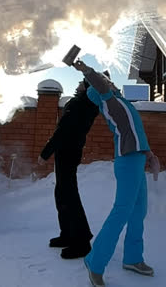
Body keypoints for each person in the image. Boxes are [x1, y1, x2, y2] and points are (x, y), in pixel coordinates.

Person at [73, 60, 160, 287]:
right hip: (127, 160)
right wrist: (86, 70)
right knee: (121, 212)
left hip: (137, 159)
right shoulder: (107, 101)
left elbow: (136, 131)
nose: (110, 82)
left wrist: (149, 154)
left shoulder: (121, 102)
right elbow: (100, 84)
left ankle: (132, 258)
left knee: (138, 211)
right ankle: (95, 262)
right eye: (106, 80)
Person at [37, 78, 100, 259]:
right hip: (70, 152)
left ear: (87, 88)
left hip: (67, 152)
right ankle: (68, 234)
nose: (78, 83)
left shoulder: (80, 104)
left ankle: (81, 242)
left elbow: (63, 130)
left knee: (69, 196)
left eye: (82, 82)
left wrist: (45, 153)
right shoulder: (85, 103)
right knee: (62, 194)